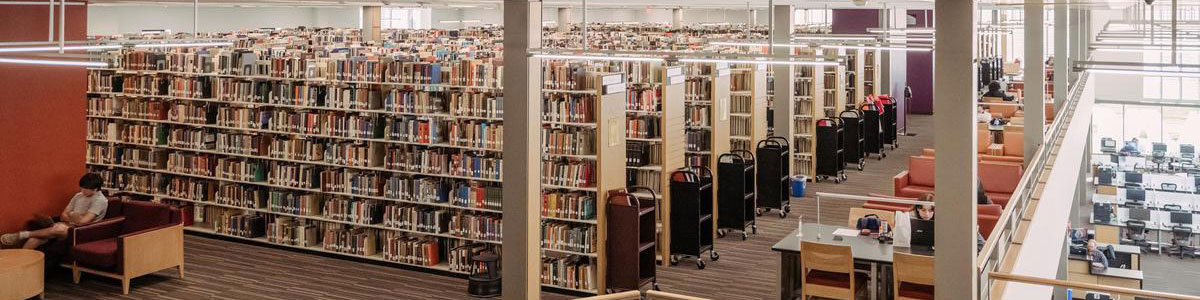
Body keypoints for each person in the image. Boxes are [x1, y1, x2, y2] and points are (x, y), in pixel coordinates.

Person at [1, 173, 108, 249]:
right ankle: (20, 266)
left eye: (85, 189)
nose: (82, 191)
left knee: (60, 227)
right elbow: (63, 216)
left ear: (95, 189)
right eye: (81, 188)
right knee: (34, 239)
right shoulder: (78, 196)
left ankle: (22, 235)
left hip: (82, 232)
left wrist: (71, 215)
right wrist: (75, 216)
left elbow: (84, 222)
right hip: (67, 226)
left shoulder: (100, 200)